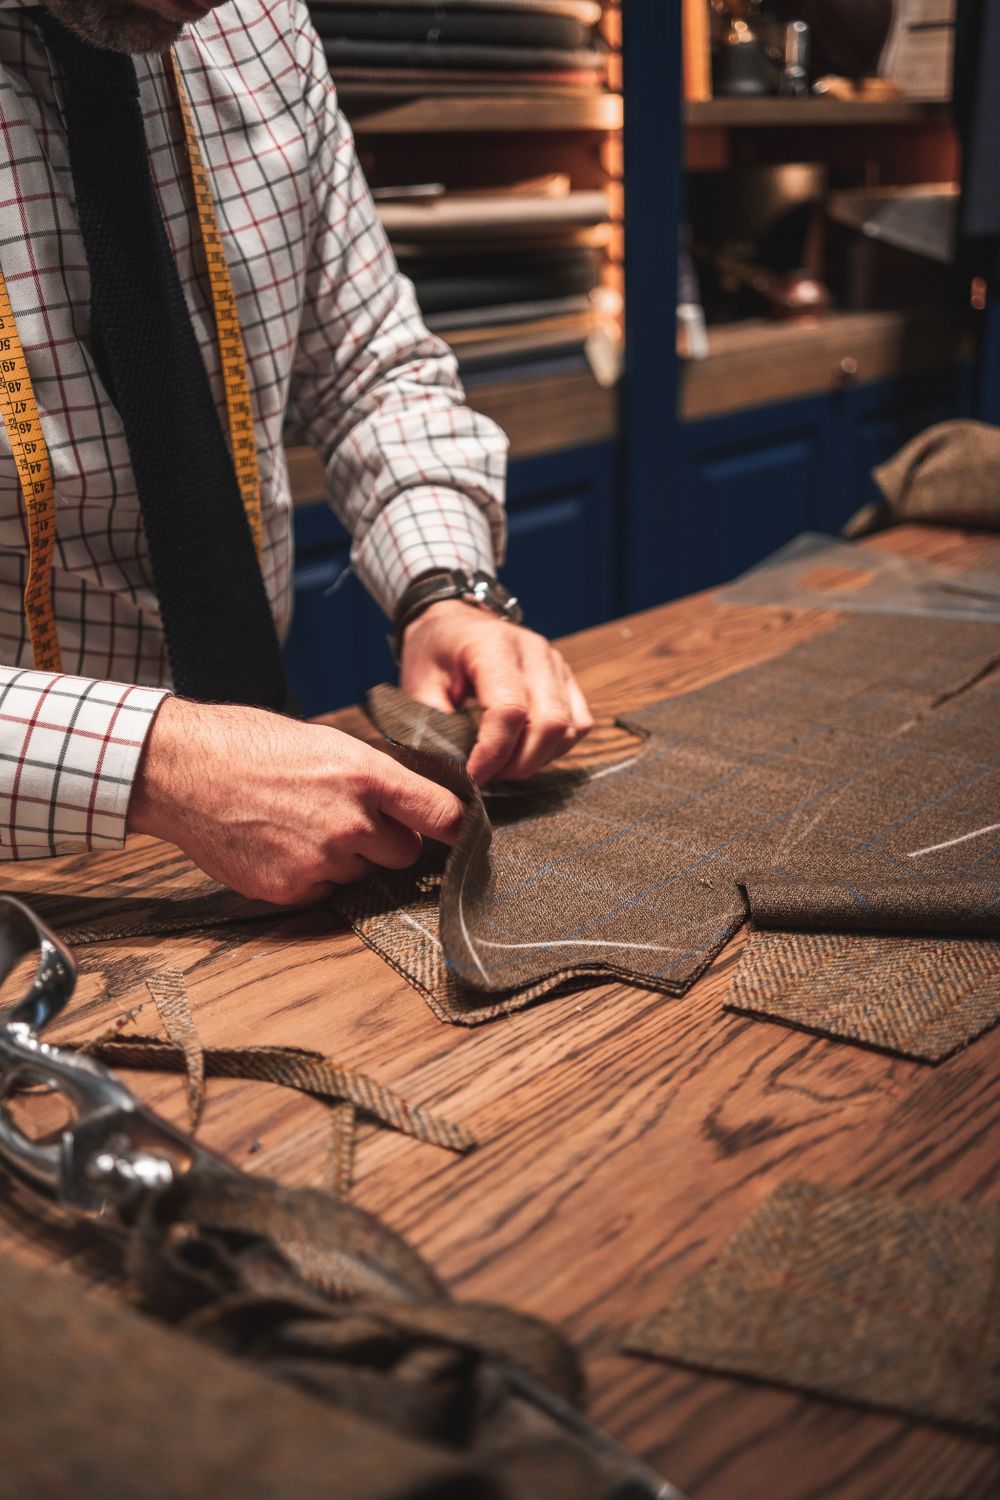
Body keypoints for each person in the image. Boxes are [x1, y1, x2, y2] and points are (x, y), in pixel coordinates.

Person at [0, 0, 593, 904]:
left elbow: (370, 366)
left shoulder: (260, 24)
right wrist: (156, 765)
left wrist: (443, 591)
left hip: (278, 831)